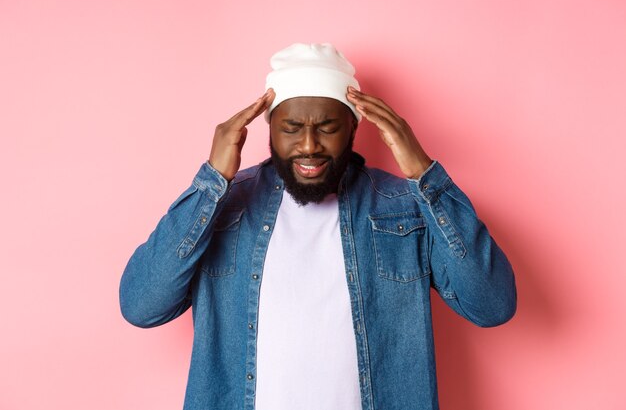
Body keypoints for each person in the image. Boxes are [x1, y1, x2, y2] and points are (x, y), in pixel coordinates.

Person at [119, 43, 517, 410]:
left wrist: (423, 173)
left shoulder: (404, 207)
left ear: (354, 128)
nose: (309, 145)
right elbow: (141, 306)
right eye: (291, 128)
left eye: (327, 127)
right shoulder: (223, 205)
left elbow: (492, 305)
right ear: (269, 128)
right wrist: (211, 182)